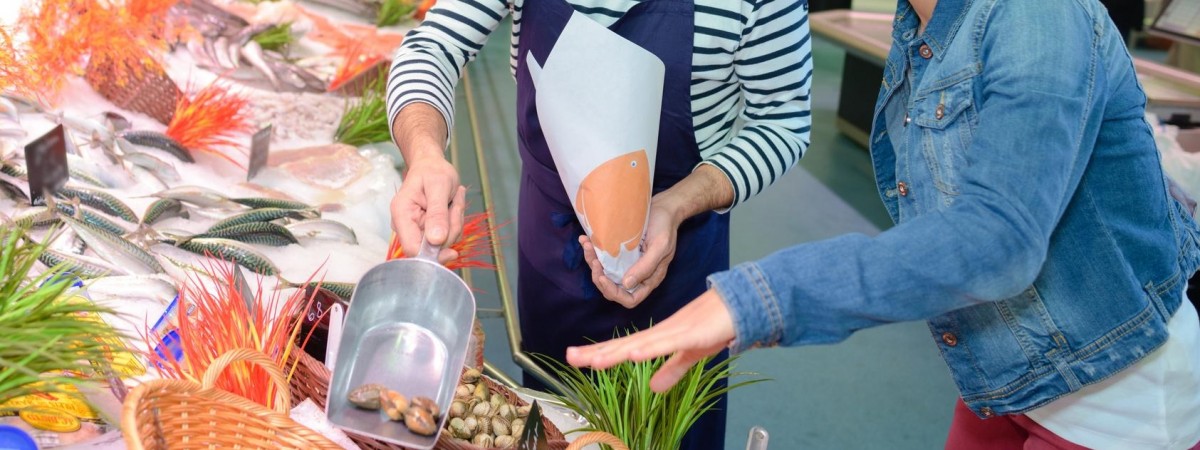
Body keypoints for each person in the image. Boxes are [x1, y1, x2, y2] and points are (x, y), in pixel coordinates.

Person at [567, 0, 1200, 448]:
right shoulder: (924, 23)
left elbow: (998, 237)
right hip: (1005, 373)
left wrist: (761, 299)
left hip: (1114, 390)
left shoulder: (1038, 15)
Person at [386, 0, 814, 447]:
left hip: (679, 248)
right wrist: (425, 155)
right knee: (545, 422)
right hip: (552, 239)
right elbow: (432, 46)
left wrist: (681, 202)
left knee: (668, 430)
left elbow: (782, 121)